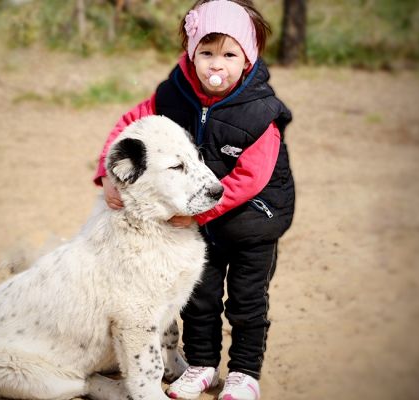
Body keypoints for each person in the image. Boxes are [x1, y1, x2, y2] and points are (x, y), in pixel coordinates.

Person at [93, 1, 294, 399]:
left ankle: (244, 373)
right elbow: (131, 127)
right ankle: (202, 364)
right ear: (190, 52)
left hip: (253, 220)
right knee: (198, 297)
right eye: (206, 53)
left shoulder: (260, 112)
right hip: (200, 220)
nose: (215, 65)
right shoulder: (173, 95)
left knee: (247, 301)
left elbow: (252, 177)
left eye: (229, 54)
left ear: (248, 58)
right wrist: (107, 171)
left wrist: (204, 212)